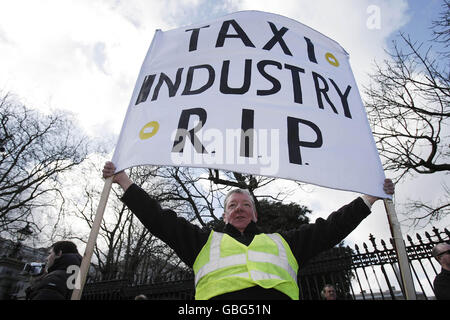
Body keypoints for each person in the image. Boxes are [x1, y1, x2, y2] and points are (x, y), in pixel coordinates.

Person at [102, 161, 395, 300]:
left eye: (245, 204)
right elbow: (159, 220)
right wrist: (125, 181)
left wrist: (369, 197)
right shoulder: (203, 243)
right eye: (232, 205)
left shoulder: (284, 243)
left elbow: (332, 228)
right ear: (225, 214)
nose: (239, 208)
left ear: (255, 213)